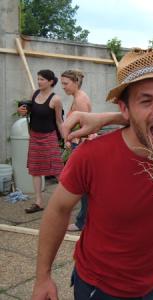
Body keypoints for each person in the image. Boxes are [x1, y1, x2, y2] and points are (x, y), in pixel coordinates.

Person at [31, 48, 153, 300]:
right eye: (146, 100)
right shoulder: (92, 155)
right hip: (99, 288)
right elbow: (58, 210)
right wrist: (43, 277)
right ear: (124, 108)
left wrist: (113, 117)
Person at [17, 69, 64, 214]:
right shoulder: (35, 93)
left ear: (50, 81)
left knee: (57, 169)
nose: (39, 82)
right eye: (38, 79)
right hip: (35, 137)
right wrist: (23, 111)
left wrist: (66, 138)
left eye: (42, 79)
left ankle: (67, 199)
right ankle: (38, 202)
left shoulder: (55, 99)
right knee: (35, 170)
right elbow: (29, 111)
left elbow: (59, 121)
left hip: (49, 137)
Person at [60, 69, 93, 232]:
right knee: (83, 185)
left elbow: (87, 127)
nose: (63, 87)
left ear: (75, 82)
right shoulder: (79, 96)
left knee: (81, 185)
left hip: (80, 145)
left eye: (66, 84)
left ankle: (82, 221)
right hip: (77, 144)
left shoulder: (80, 100)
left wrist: (72, 138)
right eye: (62, 84)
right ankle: (85, 219)